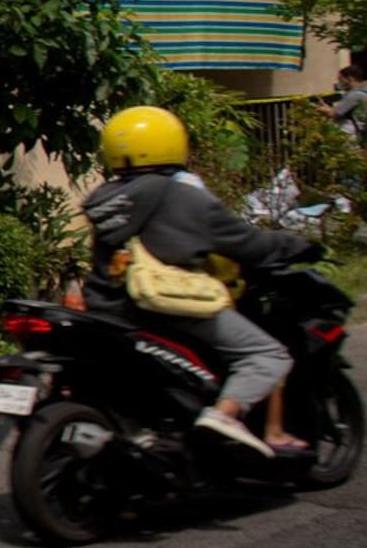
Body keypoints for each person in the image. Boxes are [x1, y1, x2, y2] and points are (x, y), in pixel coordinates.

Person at [81, 106, 323, 456]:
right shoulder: (181, 196)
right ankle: (226, 415)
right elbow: (248, 244)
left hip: (110, 310)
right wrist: (299, 245)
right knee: (267, 354)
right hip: (169, 307)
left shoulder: (105, 199)